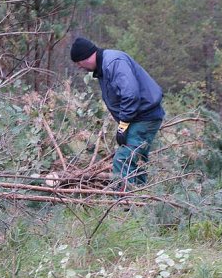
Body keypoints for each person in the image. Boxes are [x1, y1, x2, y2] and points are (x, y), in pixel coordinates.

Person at [70, 37, 165, 188]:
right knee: (137, 159)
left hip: (144, 116)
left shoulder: (113, 62)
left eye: (79, 63)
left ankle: (123, 203)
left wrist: (123, 124)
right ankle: (138, 200)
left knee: (123, 158)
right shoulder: (104, 66)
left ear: (86, 57)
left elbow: (130, 93)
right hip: (138, 116)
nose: (80, 67)